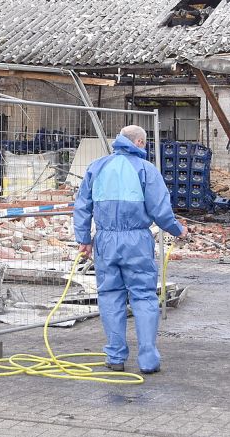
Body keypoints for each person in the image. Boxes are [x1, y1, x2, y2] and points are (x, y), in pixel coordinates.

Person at [73, 125, 184, 375]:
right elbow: (160, 210)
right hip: (137, 241)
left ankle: (115, 357)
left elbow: (82, 206)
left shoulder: (97, 167)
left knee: (110, 296)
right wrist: (178, 230)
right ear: (140, 142)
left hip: (105, 241)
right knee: (144, 296)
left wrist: (84, 239)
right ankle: (148, 360)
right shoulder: (146, 169)